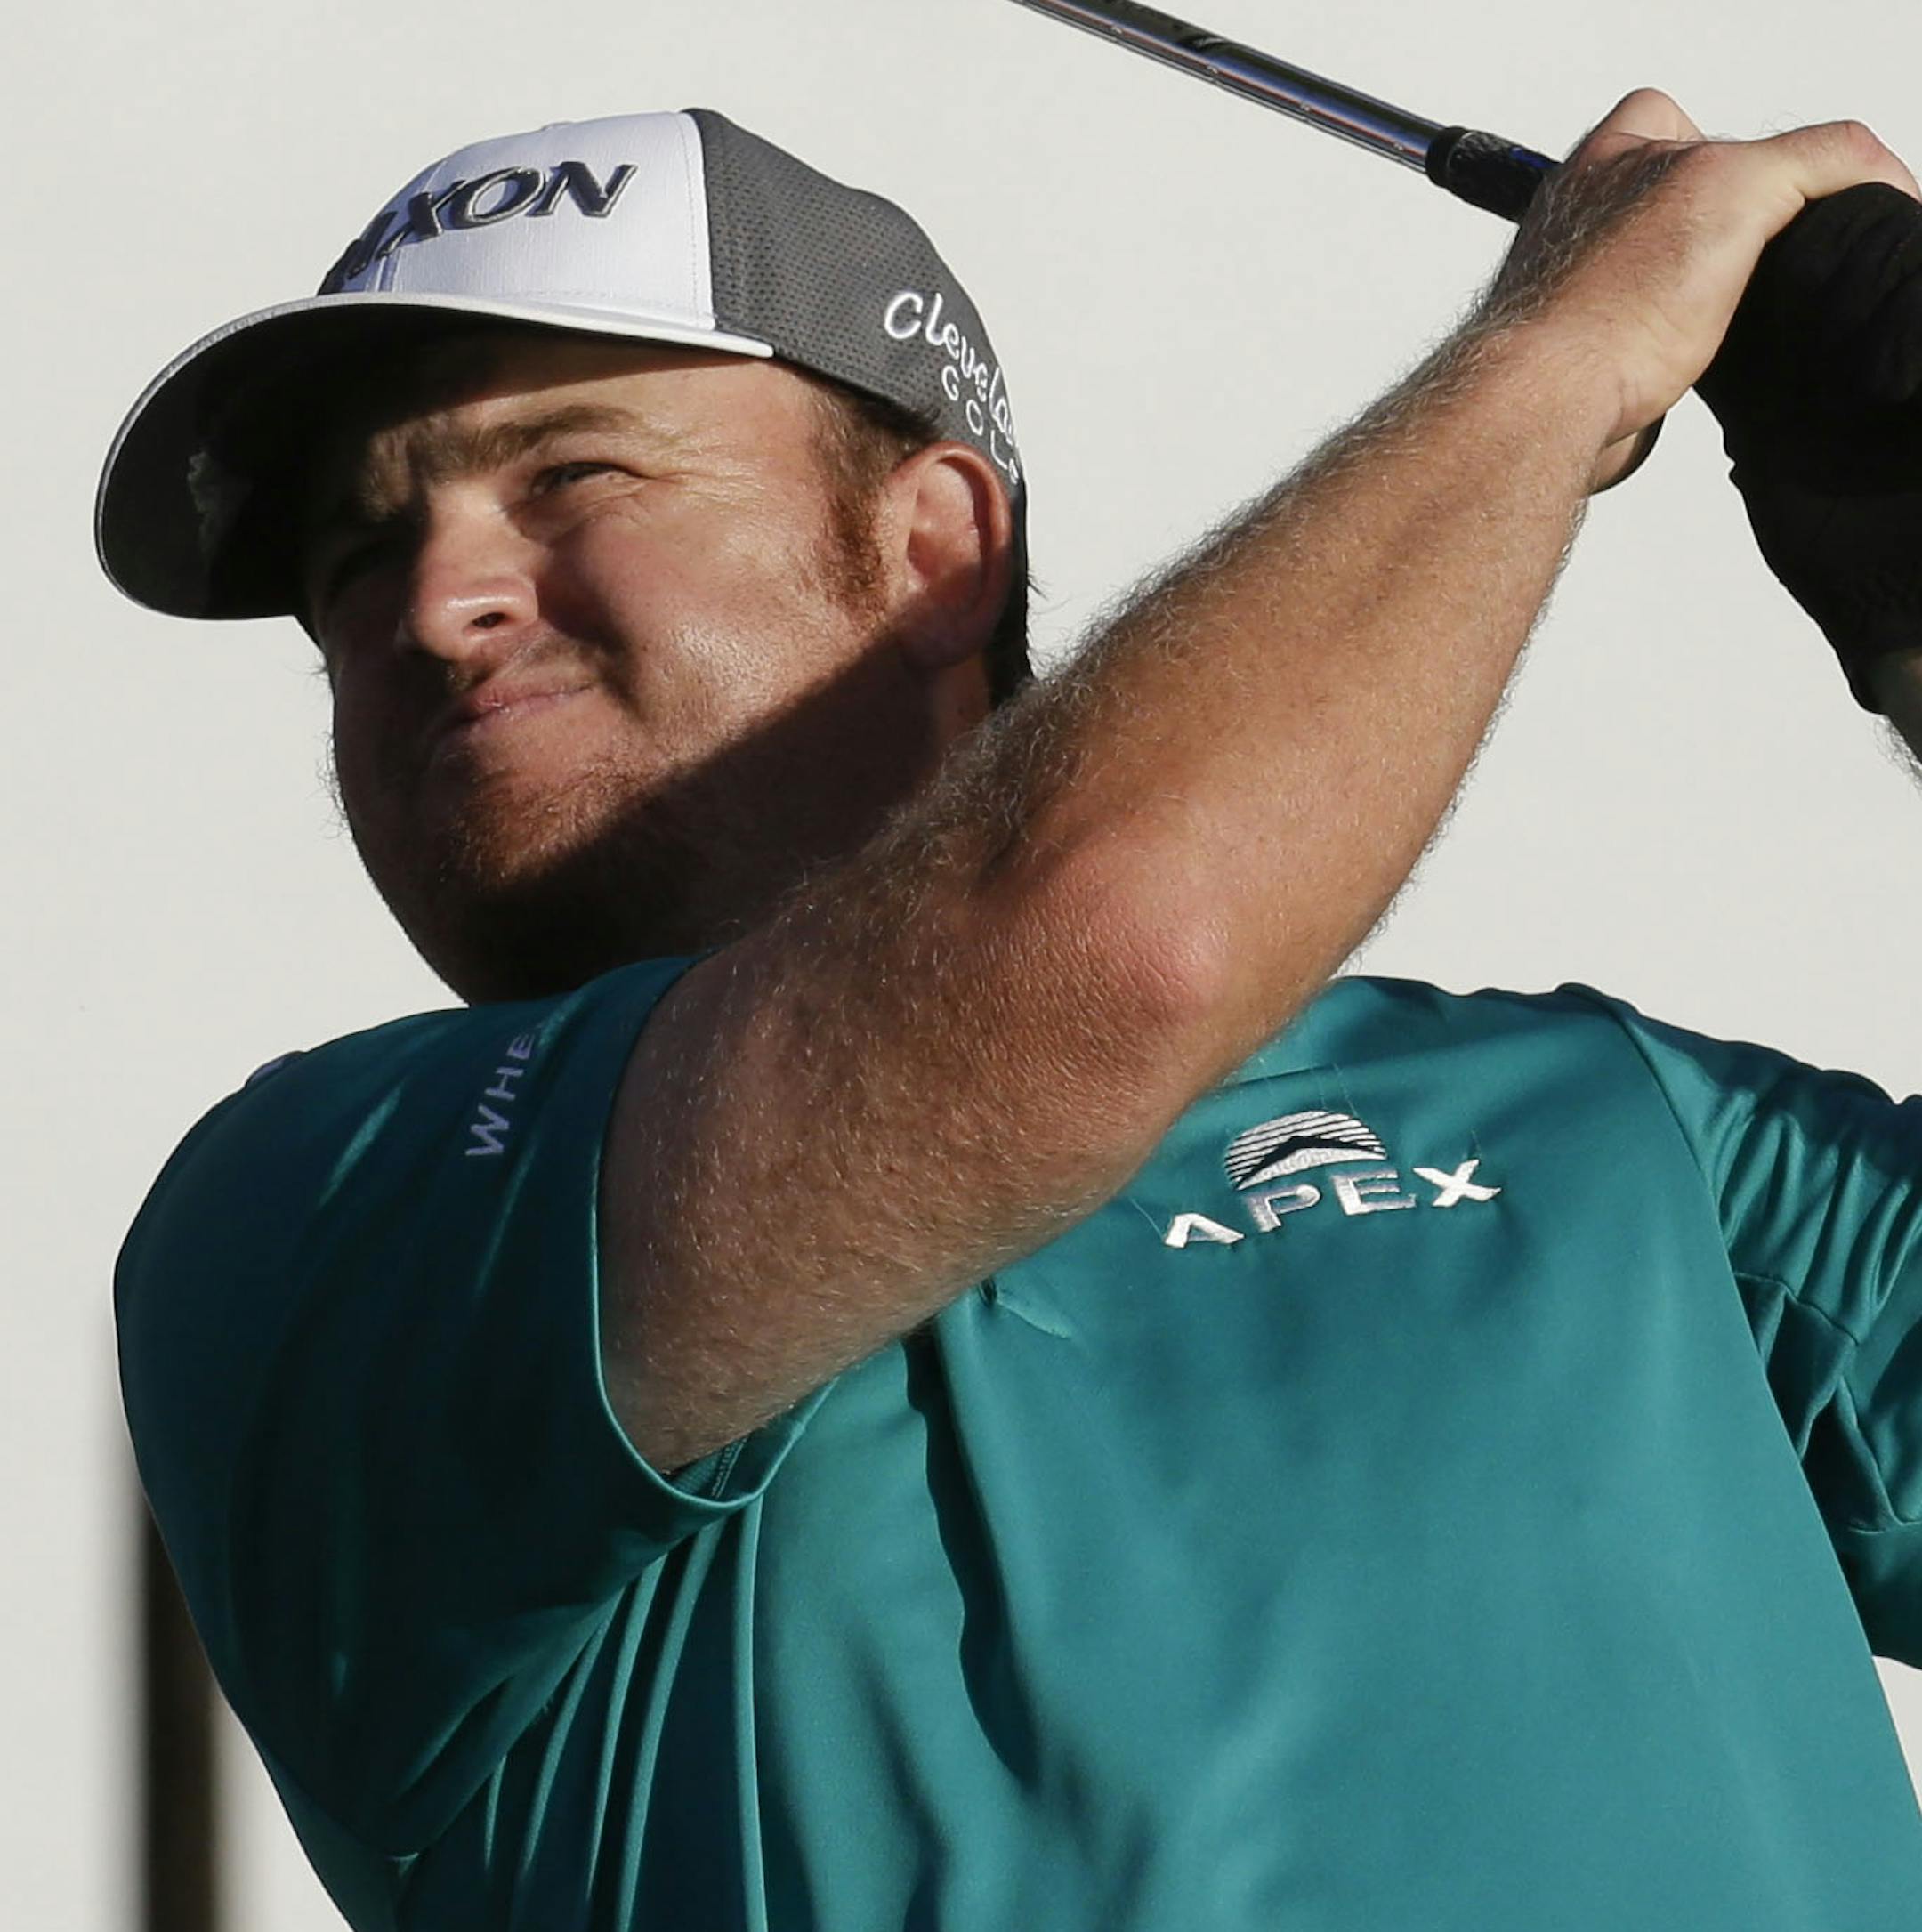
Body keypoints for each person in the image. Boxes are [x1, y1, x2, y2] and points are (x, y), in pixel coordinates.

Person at [100, 92, 1922, 1931]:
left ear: (935, 550)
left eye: (572, 476)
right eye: (355, 556)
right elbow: (1104, 952)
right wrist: (1571, 350)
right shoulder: (324, 1211)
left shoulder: (1597, 1119)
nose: (432, 602)